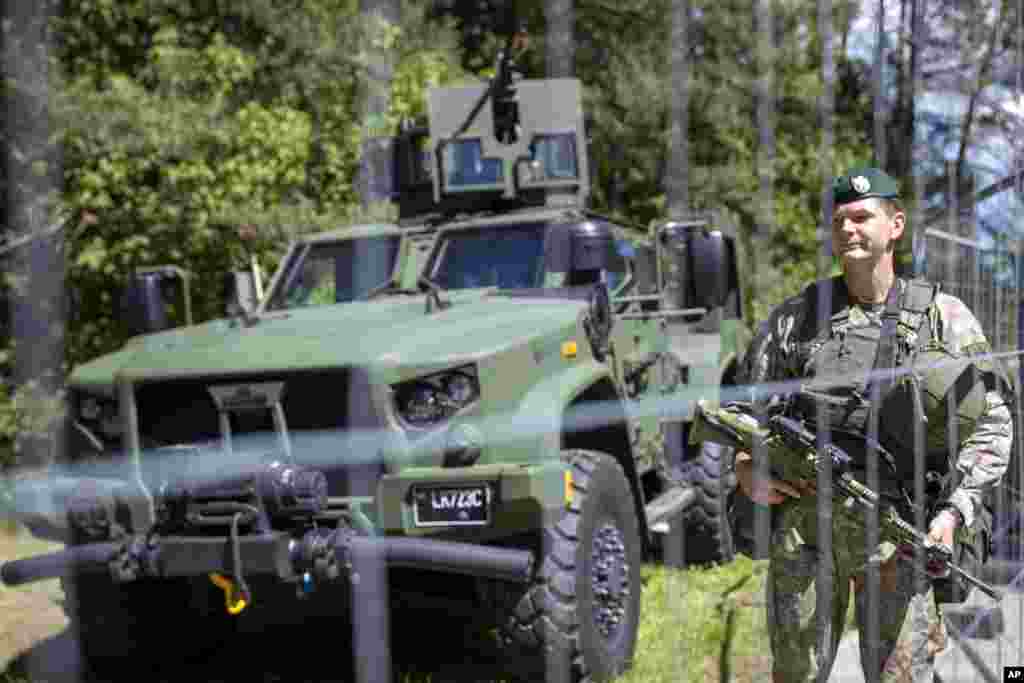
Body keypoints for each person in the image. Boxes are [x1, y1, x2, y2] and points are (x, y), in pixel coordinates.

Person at [734, 167, 1013, 682]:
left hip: (897, 532)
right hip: (805, 532)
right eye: (839, 219)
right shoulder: (797, 318)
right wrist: (745, 465)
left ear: (896, 226)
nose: (848, 229)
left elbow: (993, 424)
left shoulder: (942, 319)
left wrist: (954, 514)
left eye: (862, 217)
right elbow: (744, 409)